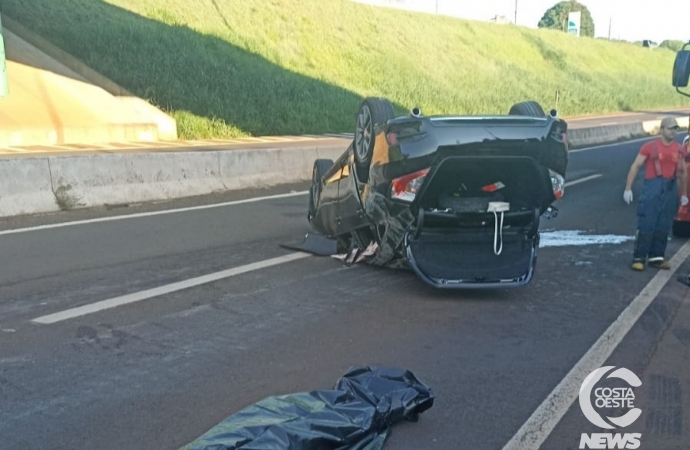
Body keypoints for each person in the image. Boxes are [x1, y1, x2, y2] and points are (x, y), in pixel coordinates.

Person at [623, 116, 688, 271]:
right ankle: (639, 258)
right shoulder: (649, 147)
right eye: (670, 128)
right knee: (646, 222)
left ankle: (656, 258)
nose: (673, 132)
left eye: (675, 129)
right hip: (652, 188)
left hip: (670, 188)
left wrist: (684, 194)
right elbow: (635, 166)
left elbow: (683, 172)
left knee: (664, 223)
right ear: (662, 130)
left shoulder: (679, 149)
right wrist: (628, 188)